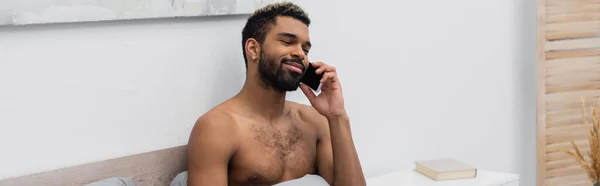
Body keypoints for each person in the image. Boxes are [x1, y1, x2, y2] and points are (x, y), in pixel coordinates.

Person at [186, 2, 366, 186]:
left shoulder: (314, 121)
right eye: (287, 42)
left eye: (305, 49)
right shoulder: (217, 128)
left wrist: (337, 116)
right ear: (253, 49)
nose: (300, 54)